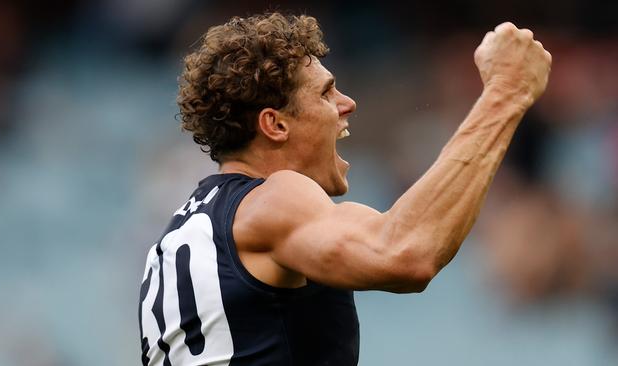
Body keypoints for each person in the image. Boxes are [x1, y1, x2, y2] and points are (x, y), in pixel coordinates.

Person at [138, 12, 551, 366]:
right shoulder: (273, 199)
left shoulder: (179, 236)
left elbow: (399, 233)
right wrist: (505, 93)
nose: (347, 102)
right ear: (275, 125)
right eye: (325, 92)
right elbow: (406, 252)